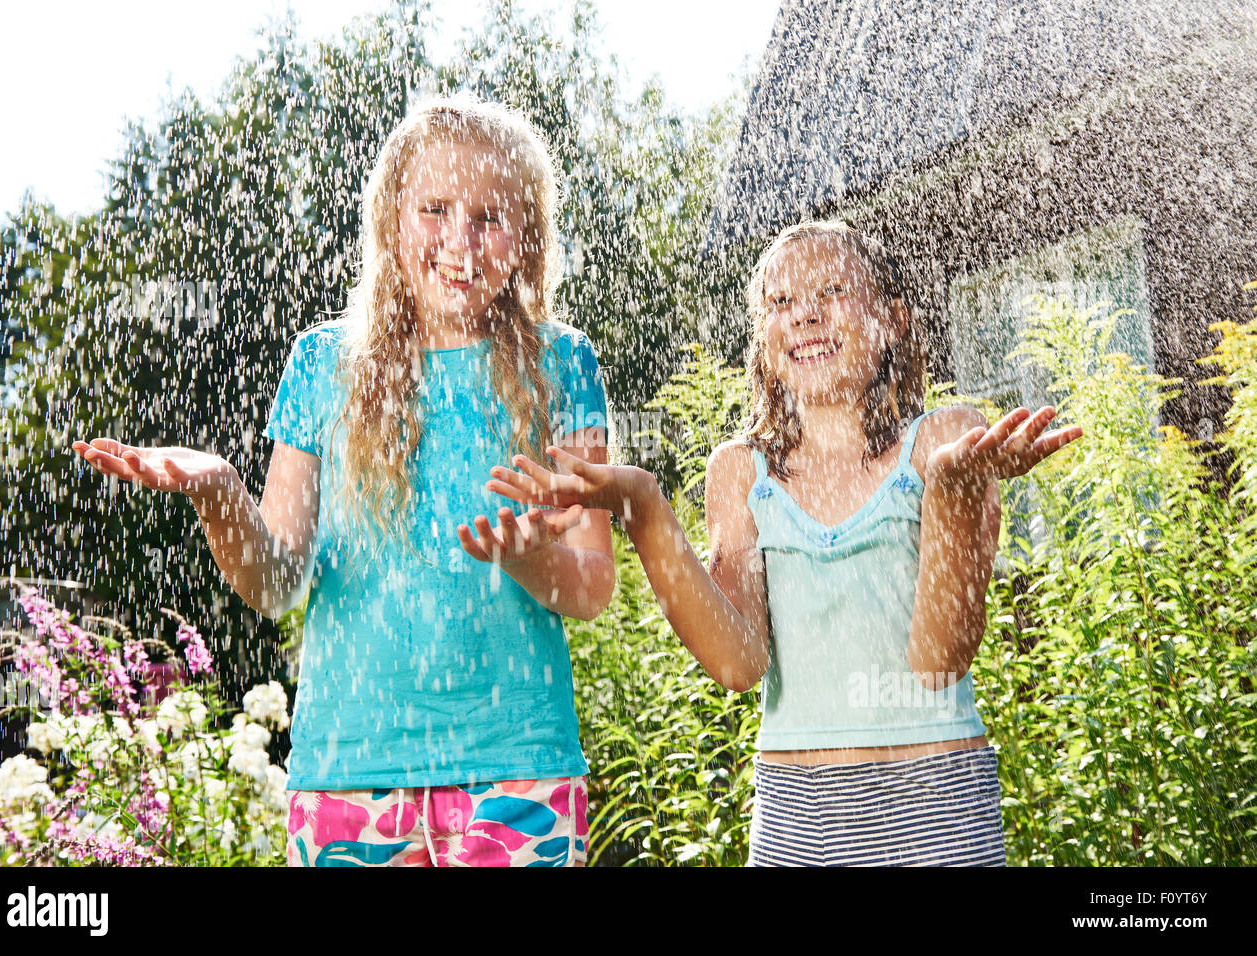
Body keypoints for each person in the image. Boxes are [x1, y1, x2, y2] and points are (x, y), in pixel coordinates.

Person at [71, 97, 614, 867]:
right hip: (349, 772)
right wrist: (220, 493)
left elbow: (591, 586)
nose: (461, 240)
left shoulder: (563, 364)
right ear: (392, 221)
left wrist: (531, 561)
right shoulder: (323, 364)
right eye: (434, 209)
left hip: (518, 765)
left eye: (491, 216)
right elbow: (277, 583)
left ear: (527, 236)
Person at [483, 220, 1083, 866]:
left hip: (931, 800)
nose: (805, 315)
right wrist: (644, 510)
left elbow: (940, 660)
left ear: (893, 319)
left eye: (831, 290)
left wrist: (956, 492)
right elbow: (737, 664)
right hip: (797, 817)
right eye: (780, 302)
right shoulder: (741, 473)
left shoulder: (945, 443)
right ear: (763, 342)